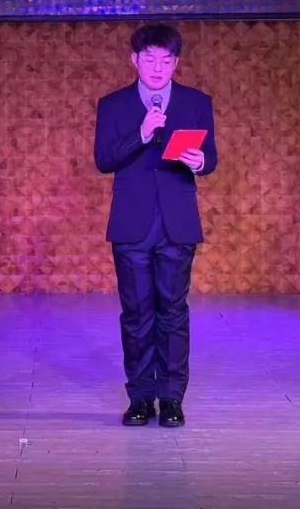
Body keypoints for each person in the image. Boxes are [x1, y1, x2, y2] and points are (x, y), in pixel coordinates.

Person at [93, 23, 217, 428]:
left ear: (176, 63)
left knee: (173, 313)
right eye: (149, 59)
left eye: (166, 60)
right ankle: (140, 398)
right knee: (136, 314)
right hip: (132, 225)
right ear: (135, 60)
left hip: (177, 224)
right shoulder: (113, 105)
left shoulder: (196, 102)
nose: (158, 67)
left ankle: (172, 398)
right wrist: (141, 133)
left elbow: (210, 157)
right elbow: (103, 160)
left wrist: (201, 162)